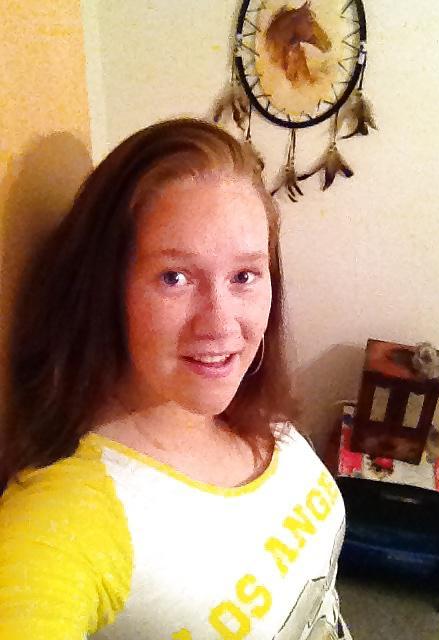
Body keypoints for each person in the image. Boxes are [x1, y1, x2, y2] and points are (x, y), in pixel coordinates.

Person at [0, 119, 350, 639]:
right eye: (174, 277)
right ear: (105, 288)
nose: (222, 325)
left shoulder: (243, 403)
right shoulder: (63, 520)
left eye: (244, 276)